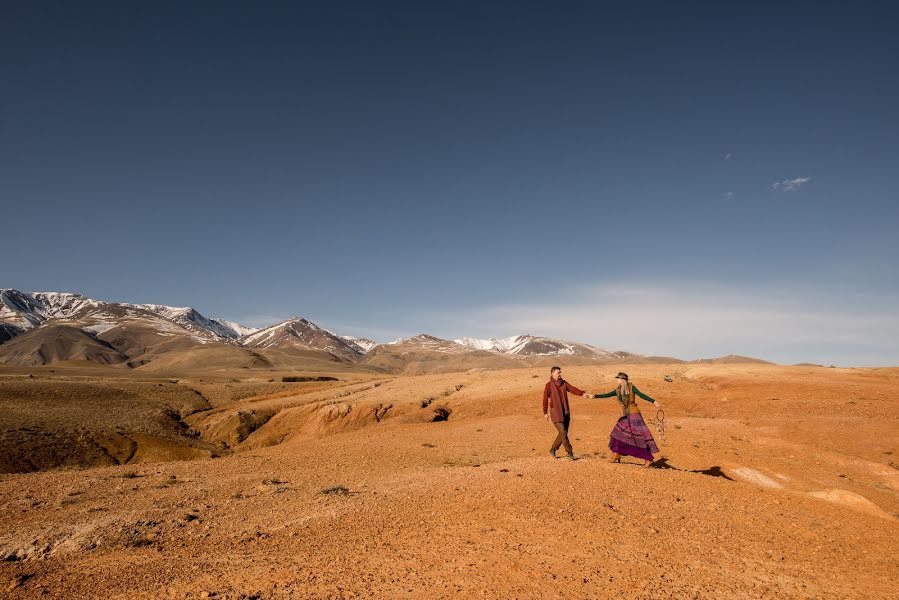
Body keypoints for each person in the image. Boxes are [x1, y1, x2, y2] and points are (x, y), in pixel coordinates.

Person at [592, 371, 661, 466]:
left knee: (639, 438)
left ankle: (648, 459)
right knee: (618, 433)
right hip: (626, 415)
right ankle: (617, 454)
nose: (616, 380)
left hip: (634, 415)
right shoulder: (618, 390)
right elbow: (607, 394)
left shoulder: (632, 387)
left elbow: (641, 395)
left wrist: (654, 401)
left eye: (618, 378)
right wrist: (595, 396)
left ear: (622, 380)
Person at [542, 366, 590, 459]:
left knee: (563, 433)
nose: (560, 374)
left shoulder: (564, 383)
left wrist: (583, 393)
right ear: (552, 374)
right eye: (558, 373)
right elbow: (544, 399)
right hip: (555, 412)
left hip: (565, 411)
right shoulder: (548, 385)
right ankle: (570, 452)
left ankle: (553, 449)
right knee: (563, 431)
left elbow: (572, 389)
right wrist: (545, 412)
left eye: (560, 372)